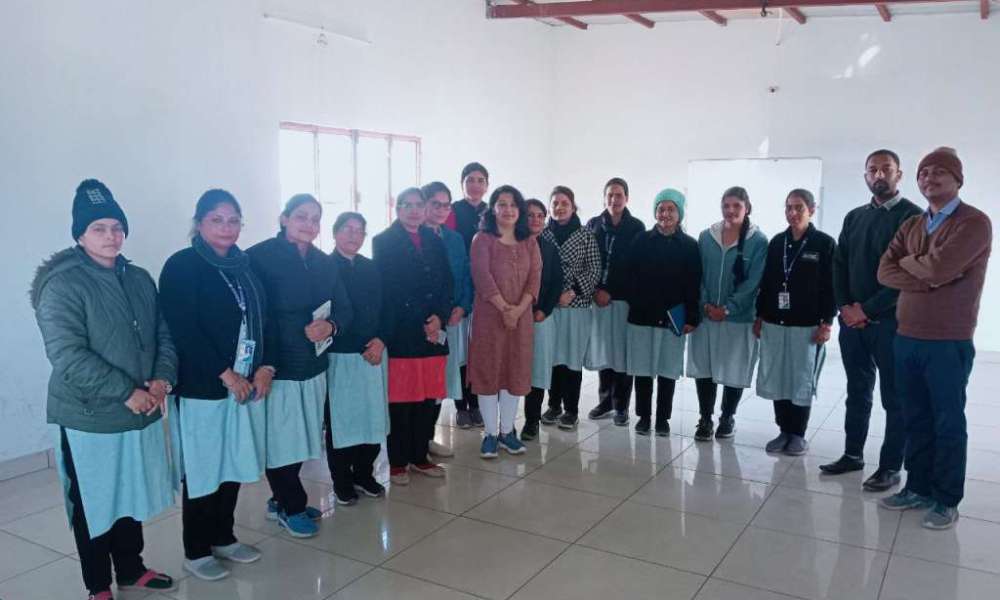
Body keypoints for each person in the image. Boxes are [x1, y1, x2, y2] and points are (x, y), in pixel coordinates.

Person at [32, 179, 177, 600]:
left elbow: (163, 334)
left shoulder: (140, 278)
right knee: (94, 501)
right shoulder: (62, 285)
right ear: (80, 235)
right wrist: (126, 391)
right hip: (89, 415)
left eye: (116, 227)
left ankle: (131, 568)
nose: (111, 236)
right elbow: (67, 354)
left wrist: (162, 379)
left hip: (139, 409)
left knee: (130, 491)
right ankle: (97, 585)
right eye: (98, 228)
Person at [159, 189, 275, 581]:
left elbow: (267, 320)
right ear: (199, 223)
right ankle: (196, 550)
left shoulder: (246, 266)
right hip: (204, 385)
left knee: (233, 460)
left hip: (246, 383)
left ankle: (224, 537)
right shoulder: (182, 266)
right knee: (204, 466)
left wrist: (266, 367)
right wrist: (225, 373)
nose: (226, 227)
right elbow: (183, 329)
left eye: (233, 220)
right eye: (217, 220)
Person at [877, 147, 992, 530]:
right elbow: (884, 271)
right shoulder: (913, 223)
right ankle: (918, 487)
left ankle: (946, 499)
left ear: (958, 179)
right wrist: (928, 275)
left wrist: (921, 267)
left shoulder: (973, 223)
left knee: (947, 421)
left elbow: (941, 266)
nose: (929, 178)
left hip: (947, 339)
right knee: (915, 417)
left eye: (939, 171)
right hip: (906, 335)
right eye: (924, 172)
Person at [819, 150, 922, 491]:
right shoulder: (854, 217)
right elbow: (839, 264)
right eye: (872, 169)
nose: (879, 175)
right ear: (865, 176)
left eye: (886, 169)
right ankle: (852, 454)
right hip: (853, 324)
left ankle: (891, 466)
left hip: (892, 323)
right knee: (857, 391)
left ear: (899, 175)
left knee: (895, 397)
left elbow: (909, 274)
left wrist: (867, 309)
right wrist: (845, 307)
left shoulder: (913, 217)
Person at [247, 194, 352, 522]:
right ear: (284, 218)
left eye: (315, 219)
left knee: (303, 437)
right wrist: (263, 364)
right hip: (278, 366)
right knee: (281, 439)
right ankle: (291, 505)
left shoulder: (324, 262)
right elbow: (254, 316)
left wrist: (330, 326)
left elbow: (344, 308)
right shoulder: (259, 257)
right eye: (301, 216)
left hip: (314, 365)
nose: (309, 224)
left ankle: (281, 498)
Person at [373, 187, 454, 485]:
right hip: (403, 332)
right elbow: (390, 289)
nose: (414, 210)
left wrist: (439, 317)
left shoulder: (434, 239)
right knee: (402, 400)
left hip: (434, 333)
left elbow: (447, 283)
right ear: (397, 209)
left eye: (419, 204)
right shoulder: (383, 241)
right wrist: (423, 320)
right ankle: (397, 461)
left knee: (427, 399)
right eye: (407, 205)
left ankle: (420, 456)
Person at [754, 189, 836, 456]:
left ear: (812, 209)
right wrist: (760, 315)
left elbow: (831, 287)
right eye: (788, 207)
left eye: (798, 207)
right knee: (778, 376)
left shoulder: (824, 244)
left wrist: (827, 322)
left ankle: (798, 434)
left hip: (807, 325)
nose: (792, 213)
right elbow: (766, 283)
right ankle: (783, 431)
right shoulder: (777, 242)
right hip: (775, 322)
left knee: (800, 379)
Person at [687, 186, 768, 441]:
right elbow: (697, 274)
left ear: (747, 208)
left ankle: (727, 417)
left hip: (738, 319)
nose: (731, 211)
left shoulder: (758, 241)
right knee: (705, 368)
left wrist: (728, 308)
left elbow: (754, 282)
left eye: (737, 206)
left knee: (734, 368)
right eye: (726, 206)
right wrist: (706, 306)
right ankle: (705, 419)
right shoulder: (706, 237)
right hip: (707, 316)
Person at [467, 185, 542, 457]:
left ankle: (507, 432)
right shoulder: (482, 239)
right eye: (501, 204)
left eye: (513, 204)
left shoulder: (529, 241)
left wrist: (517, 310)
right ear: (493, 209)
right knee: (488, 371)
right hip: (489, 317)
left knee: (515, 371)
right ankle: (490, 434)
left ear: (519, 210)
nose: (508, 209)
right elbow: (482, 277)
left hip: (521, 319)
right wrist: (504, 308)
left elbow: (534, 279)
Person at [624, 189, 702, 435]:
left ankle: (662, 419)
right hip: (642, 315)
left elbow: (693, 284)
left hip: (674, 316)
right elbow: (629, 275)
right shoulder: (641, 240)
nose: (665, 214)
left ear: (679, 214)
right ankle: (644, 416)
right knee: (642, 369)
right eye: (661, 209)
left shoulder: (690, 245)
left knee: (668, 369)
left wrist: (692, 317)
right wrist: (637, 300)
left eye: (671, 209)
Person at [326, 212, 390, 502]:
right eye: (347, 229)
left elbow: (386, 307)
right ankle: (342, 481)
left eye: (359, 230)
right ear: (335, 232)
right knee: (343, 422)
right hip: (340, 355)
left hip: (374, 352)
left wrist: (381, 340)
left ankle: (364, 474)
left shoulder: (372, 267)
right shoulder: (324, 267)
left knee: (372, 417)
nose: (354, 235)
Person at [540, 186, 601, 431]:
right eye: (555, 203)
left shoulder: (586, 235)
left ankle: (571, 410)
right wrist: (551, 295)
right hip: (549, 307)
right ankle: (553, 405)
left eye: (564, 203)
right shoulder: (543, 234)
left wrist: (572, 291)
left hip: (576, 306)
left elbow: (594, 269)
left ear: (573, 207)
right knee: (553, 357)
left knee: (572, 359)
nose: (560, 207)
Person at [585, 177, 645, 426]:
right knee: (604, 349)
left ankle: (621, 406)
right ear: (604, 198)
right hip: (596, 299)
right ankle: (605, 401)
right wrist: (595, 290)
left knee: (621, 353)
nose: (614, 199)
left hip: (622, 300)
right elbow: (586, 261)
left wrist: (610, 291)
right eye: (610, 195)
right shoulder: (593, 224)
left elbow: (637, 268)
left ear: (626, 198)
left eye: (619, 195)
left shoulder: (637, 227)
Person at [423, 180, 473, 457]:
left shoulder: (454, 238)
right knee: (421, 382)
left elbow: (466, 275)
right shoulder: (413, 236)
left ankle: (427, 438)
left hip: (453, 320)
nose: (441, 210)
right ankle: (413, 443)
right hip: (425, 323)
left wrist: (463, 306)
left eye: (446, 205)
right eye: (435, 204)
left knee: (440, 381)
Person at [445, 162, 490, 428]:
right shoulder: (451, 212)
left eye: (480, 180)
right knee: (460, 352)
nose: (475, 185)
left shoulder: (492, 212)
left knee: (479, 352)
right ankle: (462, 406)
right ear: (462, 183)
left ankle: (478, 403)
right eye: (470, 180)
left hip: (486, 291)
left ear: (487, 185)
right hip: (461, 290)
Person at [521, 199, 565, 441]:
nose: (535, 220)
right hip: (514, 317)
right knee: (511, 370)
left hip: (540, 317)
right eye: (530, 215)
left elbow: (556, 282)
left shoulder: (549, 247)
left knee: (537, 371)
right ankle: (504, 424)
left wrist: (544, 310)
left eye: (540, 215)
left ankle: (531, 421)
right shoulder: (511, 243)